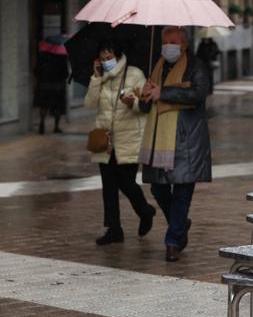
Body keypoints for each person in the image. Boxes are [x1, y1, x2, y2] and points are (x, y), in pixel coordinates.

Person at [139, 26, 212, 262]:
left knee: (182, 191)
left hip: (186, 140)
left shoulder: (196, 66)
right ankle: (180, 224)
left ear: (184, 45)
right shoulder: (157, 66)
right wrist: (144, 95)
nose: (167, 47)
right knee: (158, 188)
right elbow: (146, 106)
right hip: (158, 140)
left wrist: (164, 92)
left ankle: (173, 242)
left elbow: (199, 94)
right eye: (165, 42)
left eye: (173, 42)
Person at [85, 39, 157, 245]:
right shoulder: (101, 77)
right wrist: (96, 78)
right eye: (102, 58)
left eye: (109, 57)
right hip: (104, 139)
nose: (106, 61)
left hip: (128, 138)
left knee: (126, 182)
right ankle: (113, 229)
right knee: (108, 186)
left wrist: (132, 102)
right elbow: (90, 103)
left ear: (117, 56)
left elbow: (146, 105)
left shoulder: (134, 74)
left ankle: (145, 211)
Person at [34, 37, 69, 134]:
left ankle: (42, 123)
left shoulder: (42, 56)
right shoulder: (61, 57)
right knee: (57, 107)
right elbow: (65, 73)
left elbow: (36, 71)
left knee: (43, 105)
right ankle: (56, 127)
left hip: (43, 85)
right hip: (57, 86)